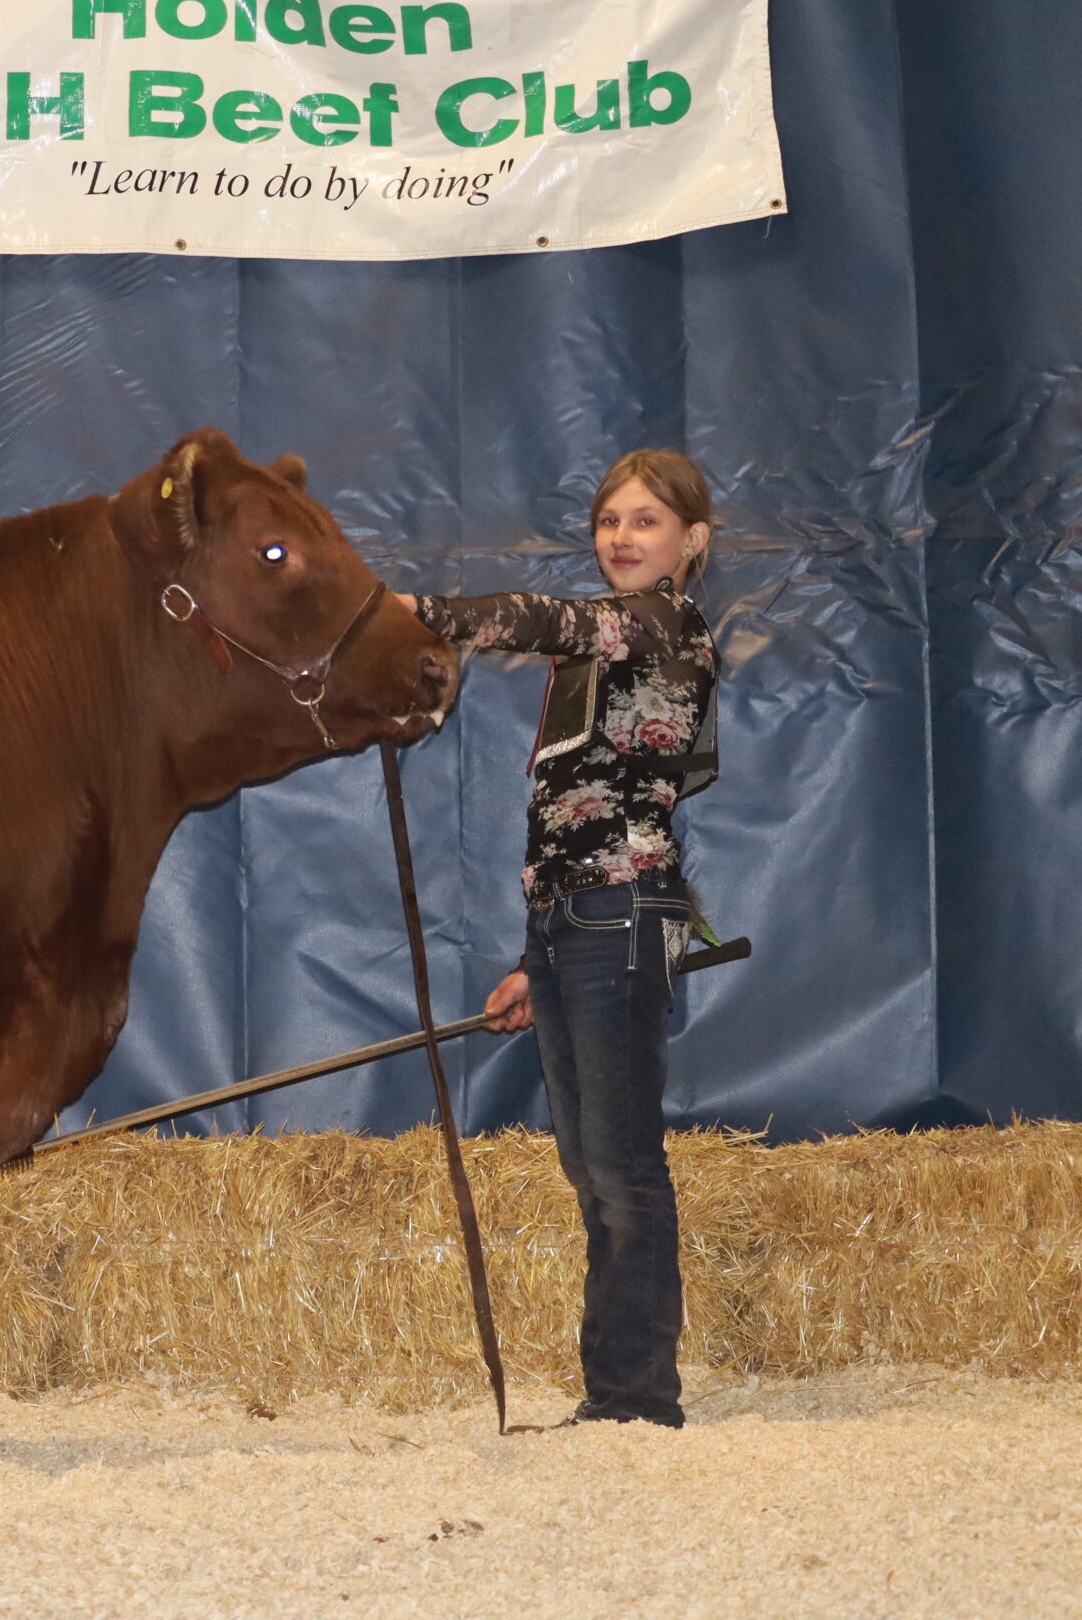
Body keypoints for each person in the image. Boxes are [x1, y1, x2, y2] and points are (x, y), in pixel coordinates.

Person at [393, 449, 719, 1429]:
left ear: (691, 542)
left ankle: (637, 1399)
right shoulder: (598, 659)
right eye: (609, 520)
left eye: (646, 521)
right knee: (591, 1165)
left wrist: (419, 611)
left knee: (621, 1167)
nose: (621, 537)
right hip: (578, 921)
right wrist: (532, 961)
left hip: (622, 917)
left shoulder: (655, 625)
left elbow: (547, 617)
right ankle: (613, 1392)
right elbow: (569, 825)